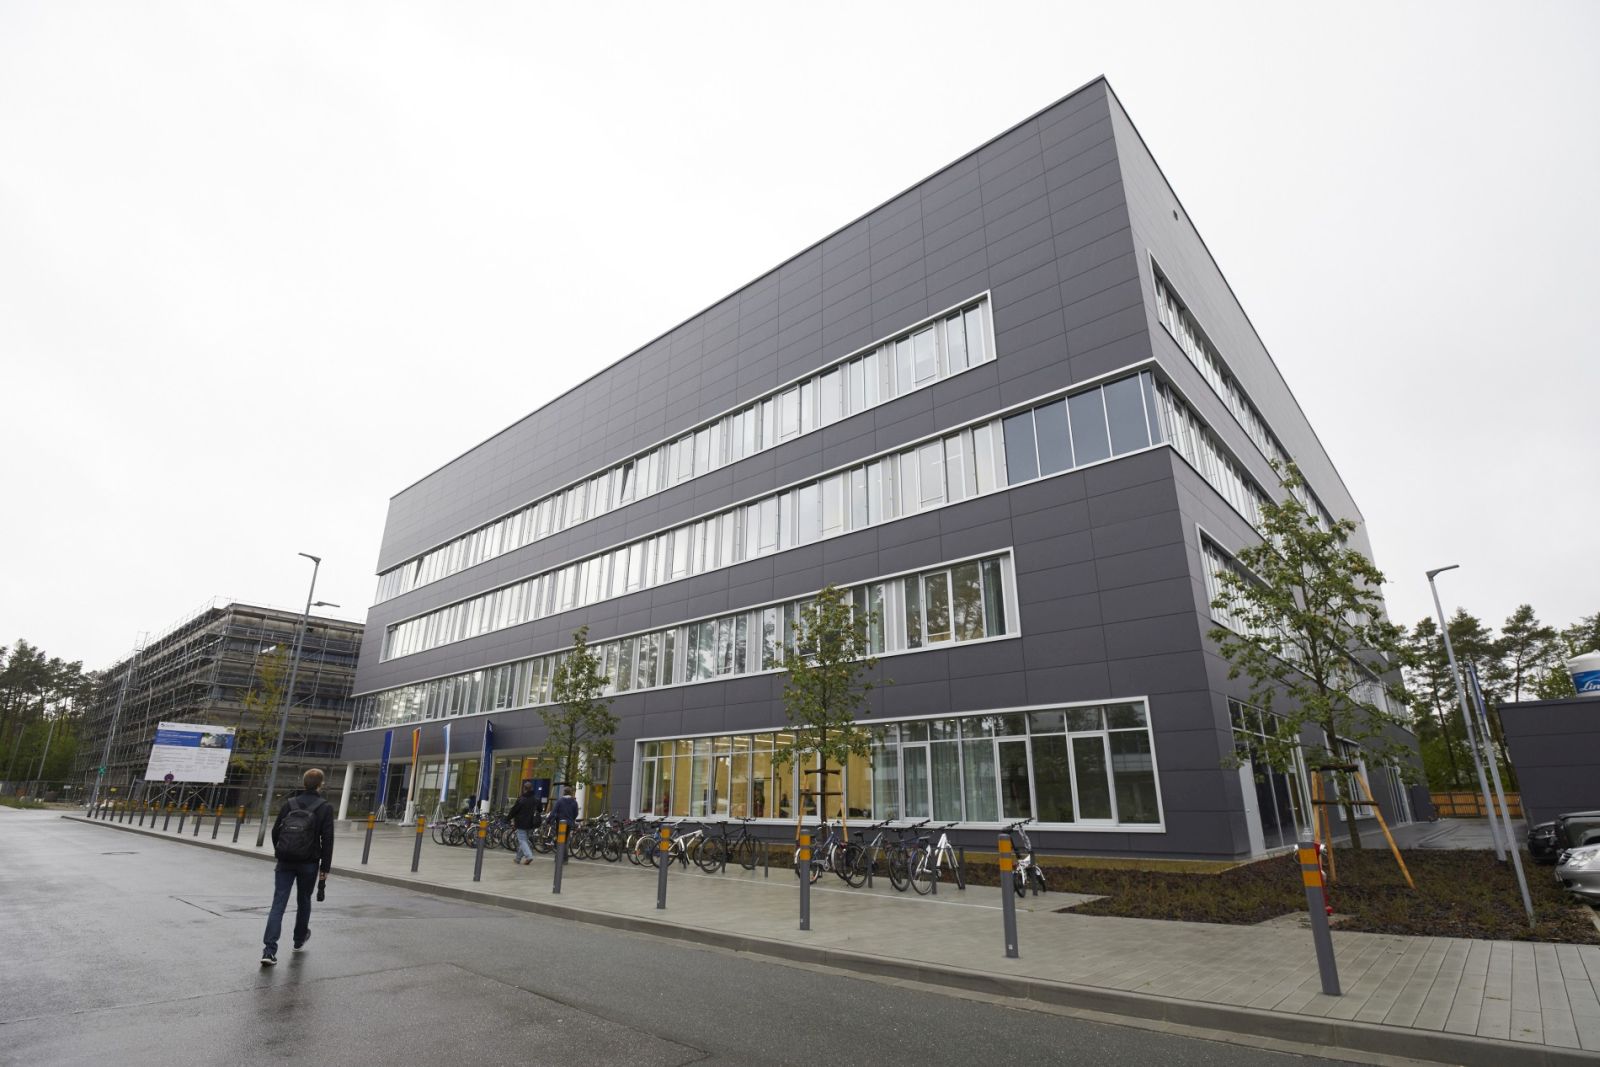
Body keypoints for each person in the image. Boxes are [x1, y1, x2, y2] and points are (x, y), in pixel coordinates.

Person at [260, 768, 334, 966]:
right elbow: (327, 840)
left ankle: (269, 950)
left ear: (304, 783)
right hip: (309, 862)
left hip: (285, 861)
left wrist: (282, 851)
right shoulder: (324, 807)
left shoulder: (289, 804)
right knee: (304, 900)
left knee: (278, 904)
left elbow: (276, 831)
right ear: (321, 785)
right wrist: (325, 868)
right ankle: (299, 939)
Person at [507, 781, 541, 866]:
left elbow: (514, 811)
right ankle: (517, 859)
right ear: (532, 788)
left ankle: (529, 856)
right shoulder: (536, 799)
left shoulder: (521, 799)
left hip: (521, 823)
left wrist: (507, 819)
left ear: (524, 789)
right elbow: (540, 810)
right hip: (532, 824)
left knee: (522, 841)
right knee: (524, 841)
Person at [551, 787, 579, 861]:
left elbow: (554, 812)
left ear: (564, 792)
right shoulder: (574, 802)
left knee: (560, 840)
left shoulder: (560, 801)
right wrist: (571, 819)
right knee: (565, 840)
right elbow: (576, 813)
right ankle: (564, 858)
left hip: (560, 823)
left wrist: (548, 821)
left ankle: (559, 858)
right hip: (569, 823)